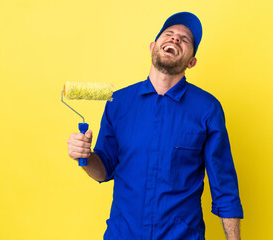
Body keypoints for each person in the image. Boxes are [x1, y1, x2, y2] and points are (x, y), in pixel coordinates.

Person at [67, 12, 244, 240]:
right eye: (168, 34)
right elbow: (104, 171)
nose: (175, 39)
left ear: (192, 62)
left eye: (185, 39)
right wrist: (85, 157)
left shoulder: (207, 109)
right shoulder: (118, 103)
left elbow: (224, 188)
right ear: (152, 47)